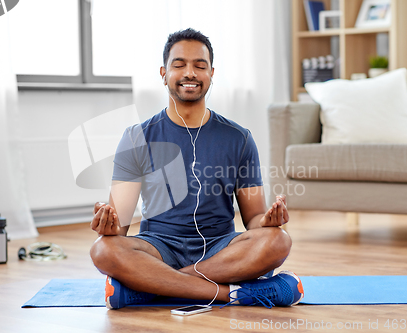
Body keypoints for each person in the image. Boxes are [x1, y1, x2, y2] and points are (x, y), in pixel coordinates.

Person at [90, 28, 303, 309]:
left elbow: (253, 220)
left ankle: (153, 287)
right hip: (158, 246)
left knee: (278, 241)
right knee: (103, 249)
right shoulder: (136, 137)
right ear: (164, 73)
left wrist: (267, 223)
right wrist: (108, 225)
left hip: (220, 247)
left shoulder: (239, 138)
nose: (190, 73)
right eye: (179, 65)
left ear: (211, 74)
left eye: (199, 66)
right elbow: (121, 228)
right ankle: (238, 294)